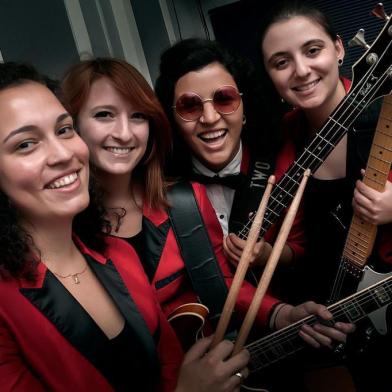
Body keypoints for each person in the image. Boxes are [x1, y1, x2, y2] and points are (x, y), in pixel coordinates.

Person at [62, 57, 354, 391]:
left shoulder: (186, 201)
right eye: (104, 115)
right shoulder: (60, 229)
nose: (125, 132)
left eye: (138, 116)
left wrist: (283, 314)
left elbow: (222, 282)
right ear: (70, 127)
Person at [0, 61, 252, 392]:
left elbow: (171, 371)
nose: (62, 153)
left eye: (63, 130)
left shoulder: (119, 255)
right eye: (25, 144)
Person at [259, 1, 392, 391]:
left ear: (338, 48)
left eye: (312, 50)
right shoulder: (275, 140)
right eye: (280, 62)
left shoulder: (387, 115)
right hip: (332, 332)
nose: (301, 70)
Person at [155, 38, 302, 270]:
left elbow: (306, 250)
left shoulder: (282, 163)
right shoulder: (160, 187)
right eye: (190, 106)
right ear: (173, 120)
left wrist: (269, 255)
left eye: (224, 99)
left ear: (245, 107)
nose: (210, 118)